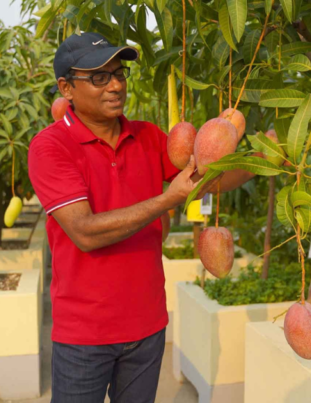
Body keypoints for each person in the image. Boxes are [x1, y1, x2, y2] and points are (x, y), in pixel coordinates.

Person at [28, 32, 255, 403]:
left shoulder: (148, 137)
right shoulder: (50, 147)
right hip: (84, 335)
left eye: (120, 73)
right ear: (66, 88)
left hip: (147, 328)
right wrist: (167, 200)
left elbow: (203, 179)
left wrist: (261, 163)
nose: (116, 85)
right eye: (99, 77)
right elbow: (84, 231)